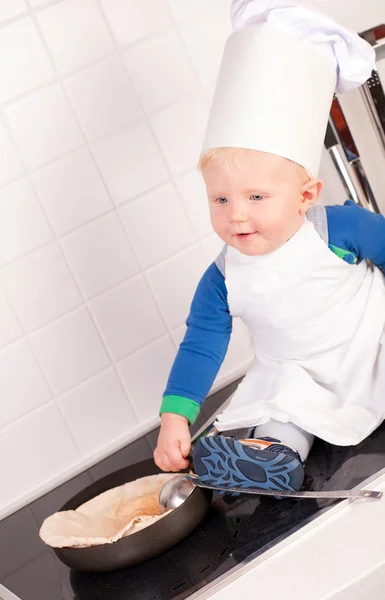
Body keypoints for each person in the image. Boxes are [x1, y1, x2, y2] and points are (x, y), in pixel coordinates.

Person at [154, 1, 385, 493]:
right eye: (220, 198)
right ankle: (269, 458)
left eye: (256, 197)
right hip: (299, 371)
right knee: (282, 406)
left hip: (373, 343)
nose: (235, 213)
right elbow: (200, 345)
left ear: (305, 196)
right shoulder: (222, 277)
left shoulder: (337, 228)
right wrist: (175, 417)